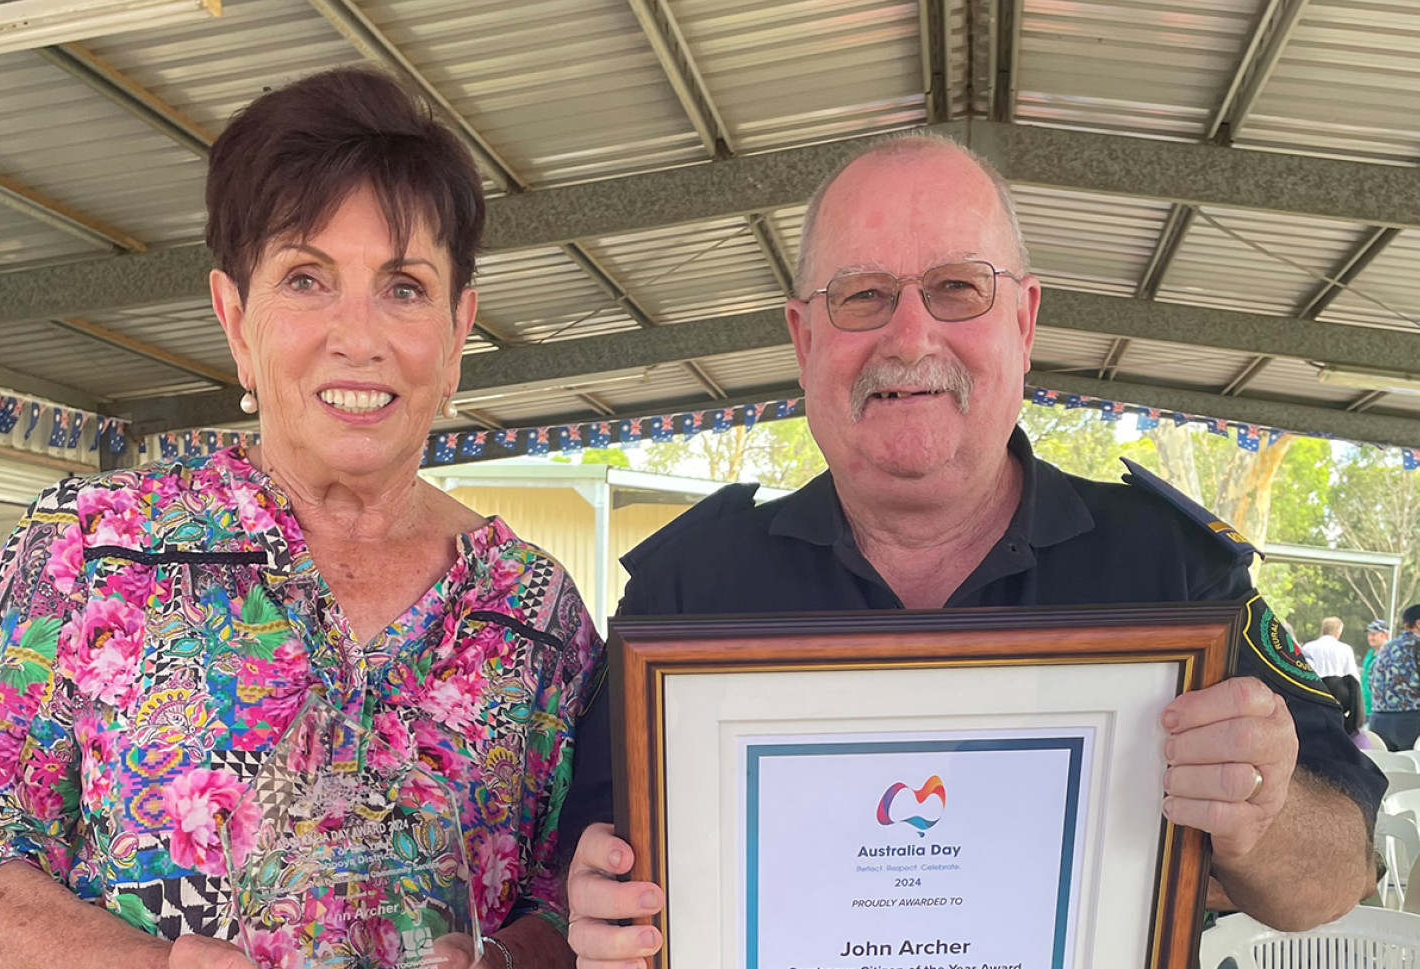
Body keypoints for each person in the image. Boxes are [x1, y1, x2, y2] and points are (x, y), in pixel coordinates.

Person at [559, 132, 1385, 963]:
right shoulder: (685, 589)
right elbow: (579, 861)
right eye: (863, 294)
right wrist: (593, 909)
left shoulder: (1174, 571)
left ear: (1024, 322)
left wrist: (1264, 813)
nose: (910, 337)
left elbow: (1340, 872)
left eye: (957, 287)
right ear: (804, 338)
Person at [0, 69, 599, 969]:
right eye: (306, 278)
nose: (358, 334)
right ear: (235, 320)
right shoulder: (90, 550)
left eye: (403, 287)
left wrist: (507, 958)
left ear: (457, 335)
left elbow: (576, 900)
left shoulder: (534, 615)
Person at [1369, 605, 1420, 751]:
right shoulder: (1417, 646)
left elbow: (1371, 681)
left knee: (1388, 769)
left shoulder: (1387, 648)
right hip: (1411, 721)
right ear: (1418, 623)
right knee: (1411, 771)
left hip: (1378, 721)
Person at [1362, 618, 1390, 714]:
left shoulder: (1390, 654)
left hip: (1380, 709)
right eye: (1369, 634)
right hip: (1365, 707)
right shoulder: (1370, 653)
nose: (1370, 637)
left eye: (1374, 634)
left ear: (1385, 635)